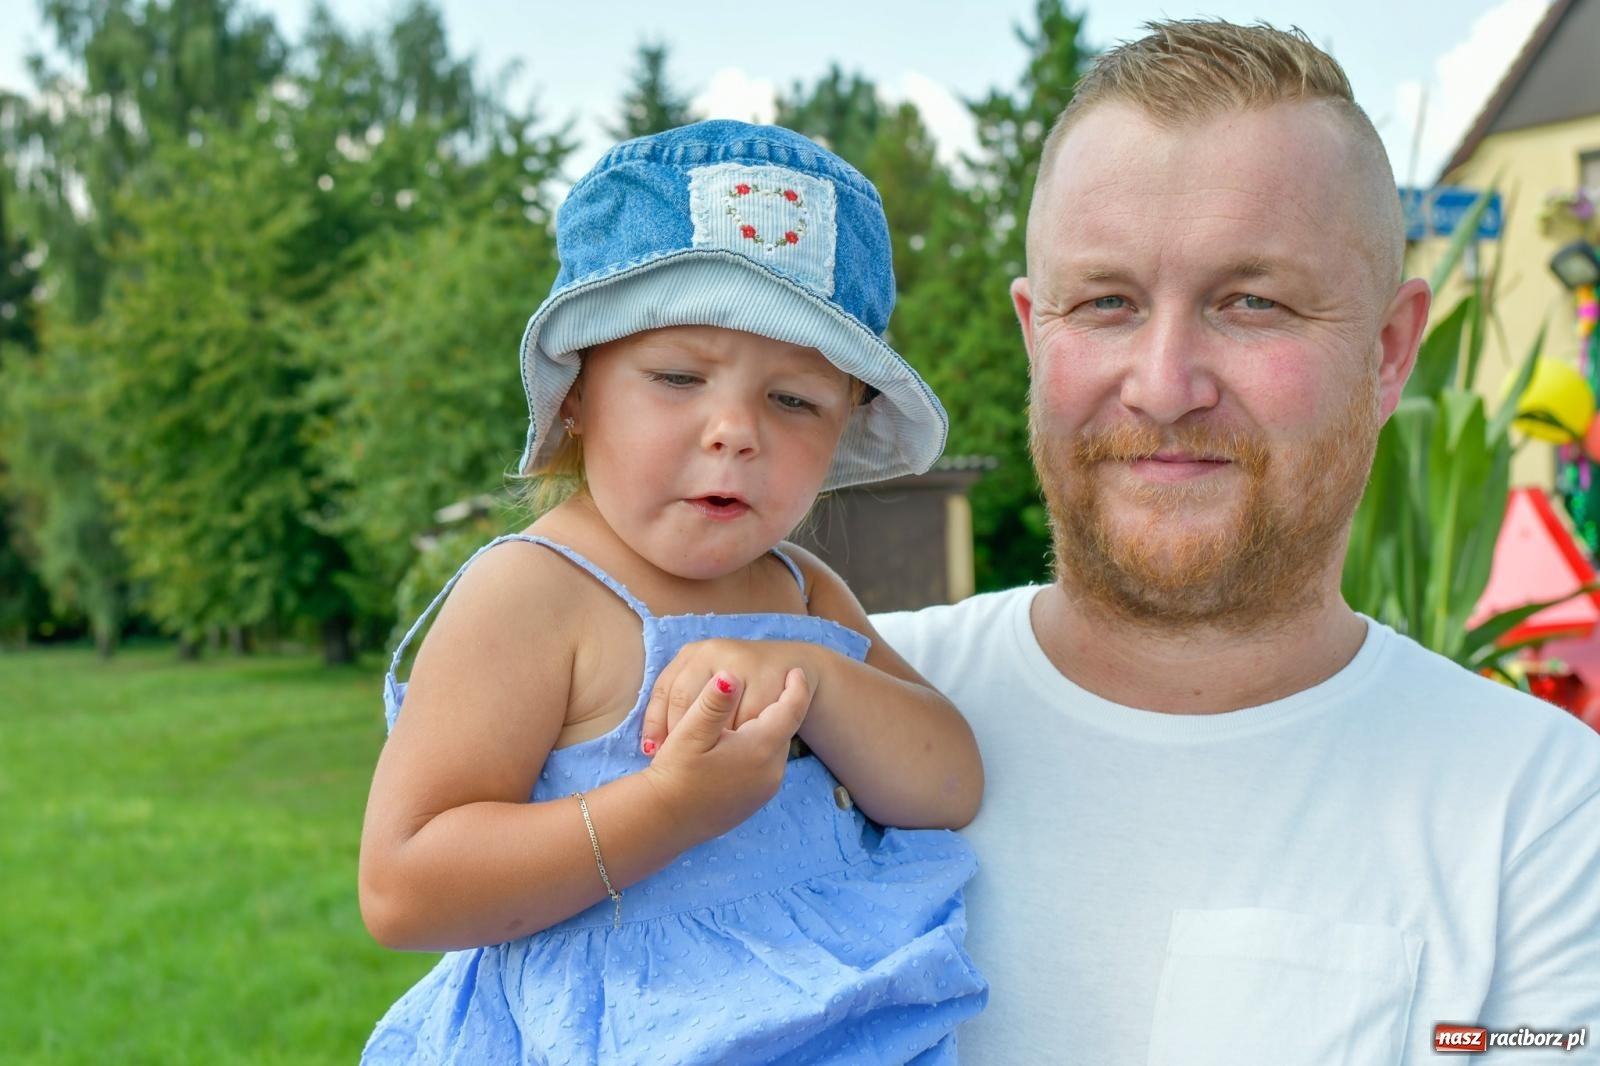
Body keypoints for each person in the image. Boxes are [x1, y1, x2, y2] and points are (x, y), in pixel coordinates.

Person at [874, 20, 1600, 1066]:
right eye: (1107, 302)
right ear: (1037, 336)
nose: (1165, 384)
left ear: (1389, 352)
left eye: (1250, 303)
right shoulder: (830, 714)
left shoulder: (1540, 818)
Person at [357, 121, 987, 1065]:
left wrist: (808, 672)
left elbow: (949, 783)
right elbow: (405, 889)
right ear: (576, 392)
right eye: (677, 377)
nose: (735, 429)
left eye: (795, 400)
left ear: (845, 423)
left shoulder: (803, 590)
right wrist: (670, 808)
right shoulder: (534, 591)